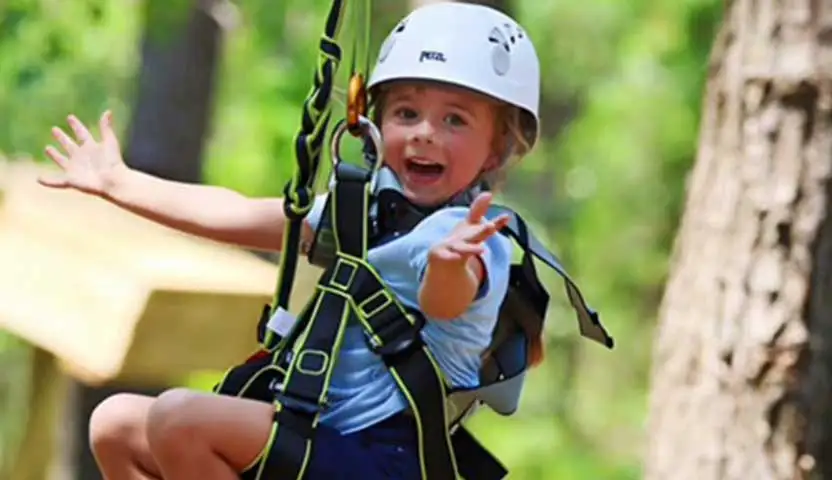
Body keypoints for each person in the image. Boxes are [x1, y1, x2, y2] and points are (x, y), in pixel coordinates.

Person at [39, 3, 543, 479]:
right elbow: (234, 212)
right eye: (406, 113)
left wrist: (450, 264)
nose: (425, 133)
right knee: (116, 424)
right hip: (321, 442)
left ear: (496, 149)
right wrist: (119, 184)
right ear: (373, 122)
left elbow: (446, 298)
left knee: (180, 418)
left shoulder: (472, 239)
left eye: (455, 119)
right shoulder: (360, 212)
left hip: (384, 459)